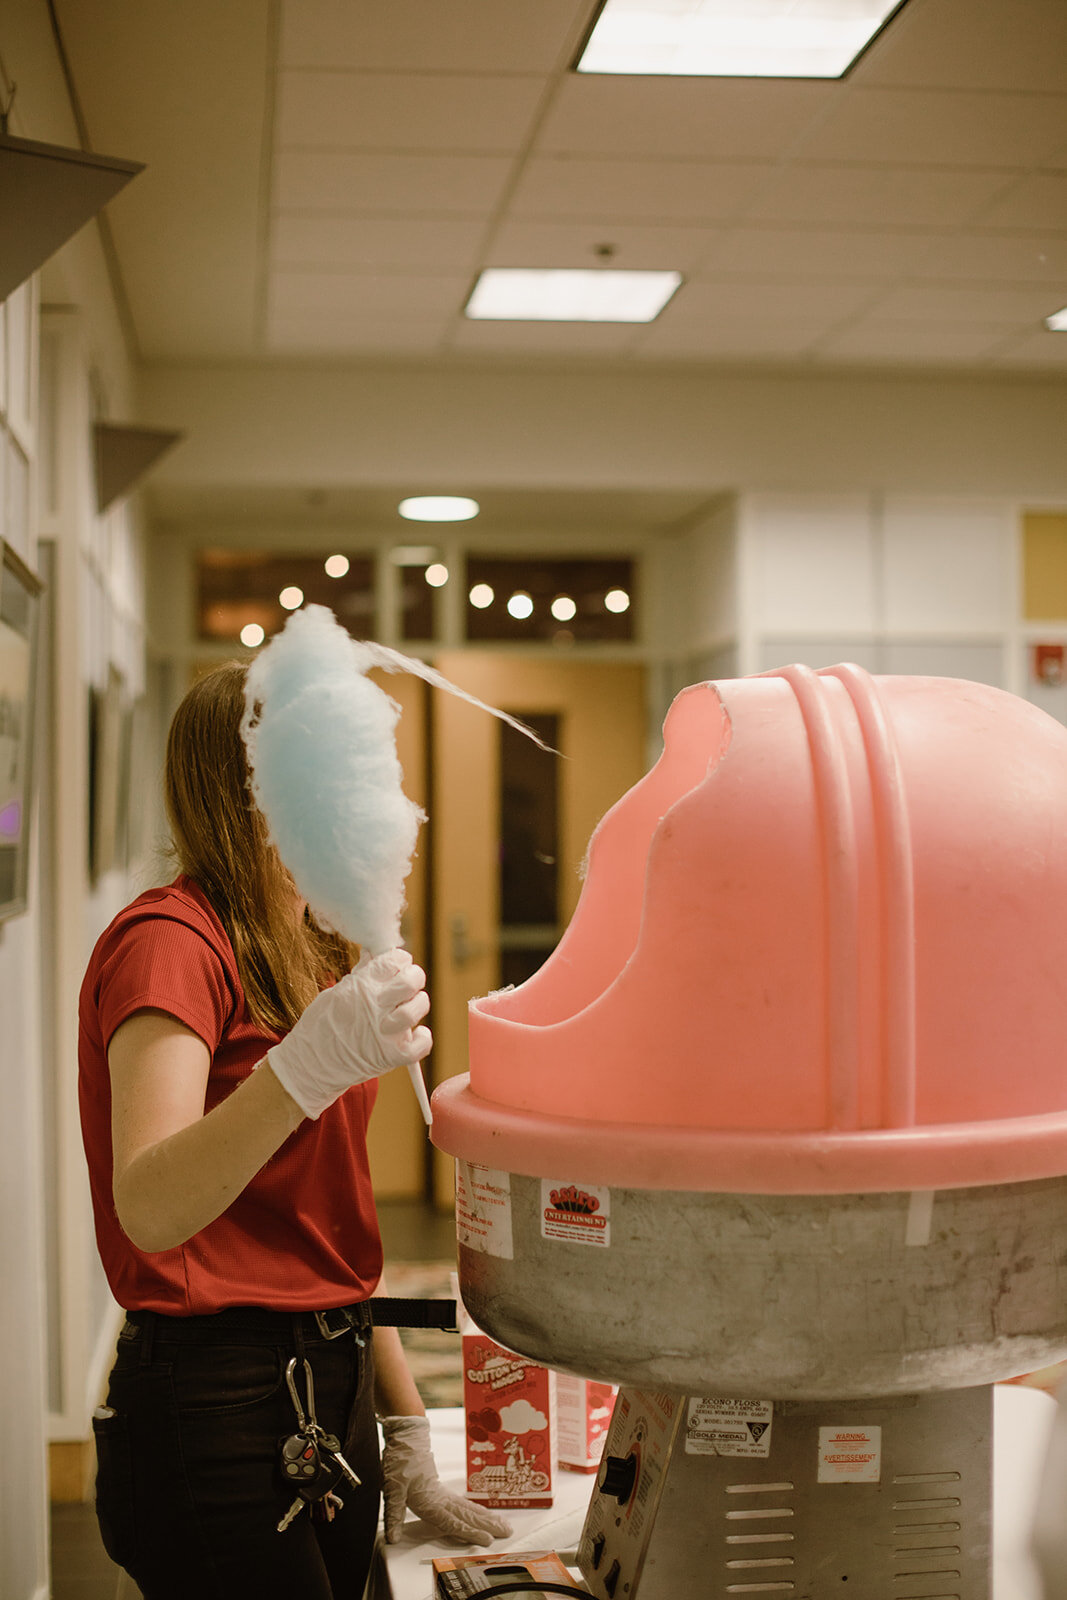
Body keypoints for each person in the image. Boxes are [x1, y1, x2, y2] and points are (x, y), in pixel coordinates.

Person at [78, 661, 509, 1600]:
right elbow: (150, 1204)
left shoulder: (310, 948)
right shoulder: (171, 945)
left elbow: (325, 1226)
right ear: (255, 793)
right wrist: (300, 1071)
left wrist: (402, 1429)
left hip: (330, 1376)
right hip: (217, 1398)